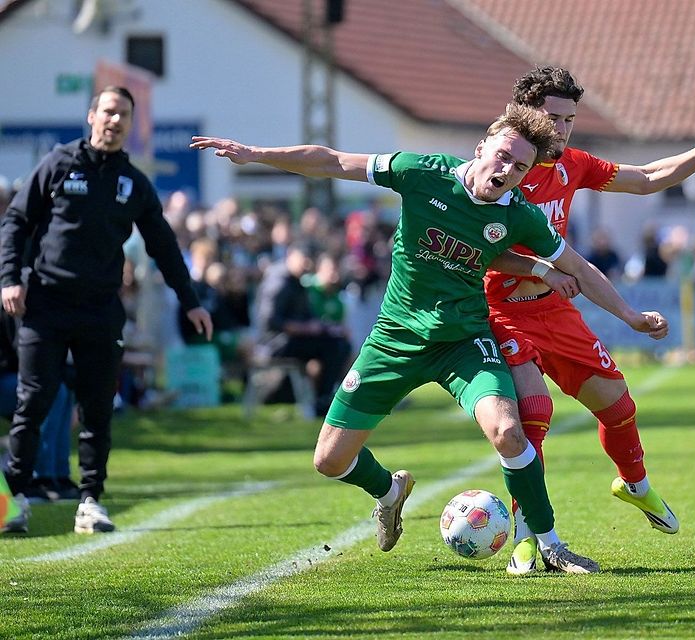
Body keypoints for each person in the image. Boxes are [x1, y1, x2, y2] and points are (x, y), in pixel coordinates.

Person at [191, 104, 669, 574]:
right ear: (480, 148)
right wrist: (254, 153)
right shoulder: (420, 171)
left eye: (520, 166)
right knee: (329, 461)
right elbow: (332, 160)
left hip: (464, 343)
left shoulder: (520, 216)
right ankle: (388, 491)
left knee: (509, 430)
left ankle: (549, 543)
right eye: (502, 155)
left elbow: (577, 267)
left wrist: (629, 316)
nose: (507, 170)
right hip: (394, 339)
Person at [483, 66, 695, 574]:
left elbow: (647, 178)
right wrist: (540, 268)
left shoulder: (573, 165)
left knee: (618, 404)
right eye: (551, 117)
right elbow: (476, 245)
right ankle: (525, 535)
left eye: (569, 119)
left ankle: (636, 485)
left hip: (557, 307)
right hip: (502, 312)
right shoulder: (501, 168)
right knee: (533, 412)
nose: (561, 128)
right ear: (524, 116)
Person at [0, 86, 213, 535]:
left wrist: (190, 300)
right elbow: (17, 220)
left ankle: (90, 501)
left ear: (130, 125)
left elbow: (163, 245)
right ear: (92, 115)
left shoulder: (133, 182)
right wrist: (10, 279)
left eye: (124, 116)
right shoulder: (58, 164)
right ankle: (14, 497)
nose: (115, 122)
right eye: (109, 112)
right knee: (33, 401)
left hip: (100, 309)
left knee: (97, 409)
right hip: (46, 304)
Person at [253, 242, 351, 415]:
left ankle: (324, 399)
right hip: (275, 344)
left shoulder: (298, 283)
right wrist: (304, 328)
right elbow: (270, 321)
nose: (306, 264)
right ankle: (322, 400)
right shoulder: (278, 281)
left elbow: (309, 317)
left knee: (339, 343)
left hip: (293, 340)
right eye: (303, 259)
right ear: (291, 256)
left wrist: (322, 328)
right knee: (334, 346)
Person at [0, 306, 78, 503]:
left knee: (61, 388)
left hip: (11, 376)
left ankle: (58, 476)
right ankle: (38, 477)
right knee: (47, 390)